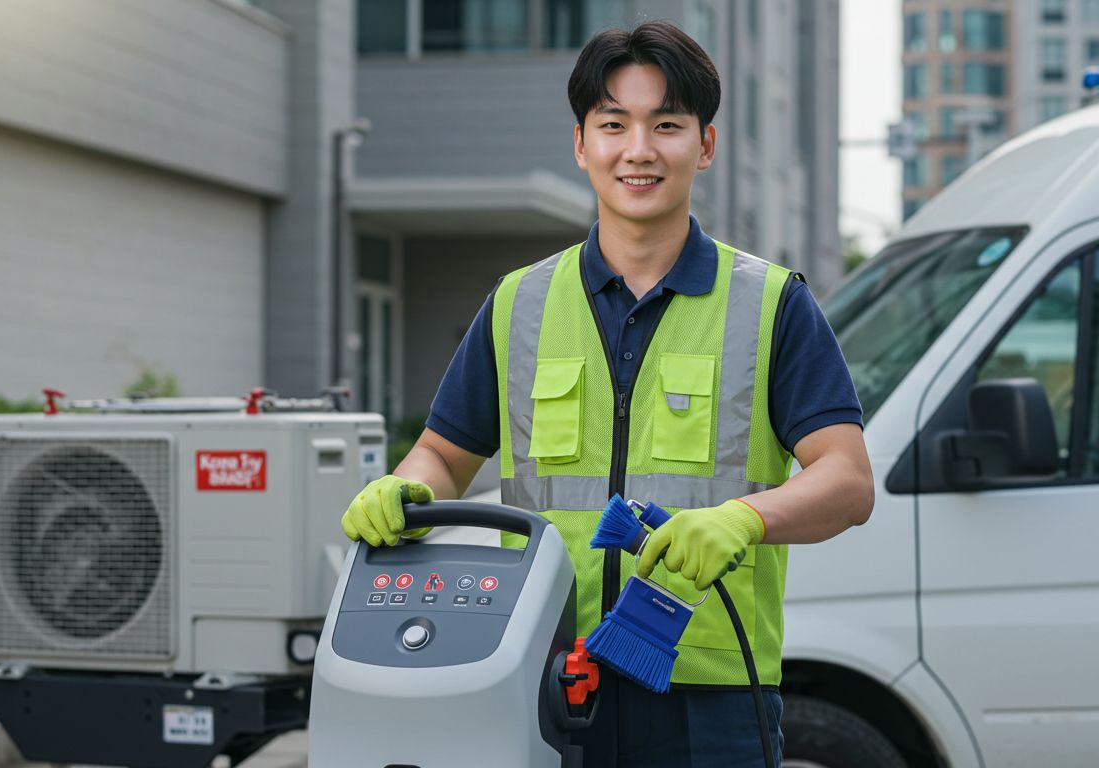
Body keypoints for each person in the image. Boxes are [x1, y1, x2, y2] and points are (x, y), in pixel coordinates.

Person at [341, 20, 873, 768]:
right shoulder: (518, 304)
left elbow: (848, 482)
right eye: (614, 124)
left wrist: (744, 519)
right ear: (581, 144)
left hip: (711, 695)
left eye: (667, 125)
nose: (639, 150)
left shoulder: (772, 305)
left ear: (706, 145)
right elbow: (441, 455)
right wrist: (400, 490)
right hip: (538, 673)